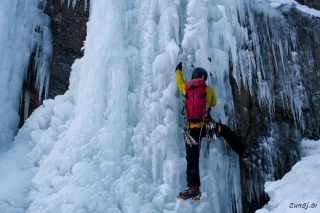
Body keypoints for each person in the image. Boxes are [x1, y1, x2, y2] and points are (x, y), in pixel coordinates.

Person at [175, 62, 253, 200]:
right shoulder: (208, 89)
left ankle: (193, 188)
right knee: (227, 133)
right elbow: (213, 104)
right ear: (203, 78)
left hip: (191, 131)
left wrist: (178, 69)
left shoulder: (185, 88)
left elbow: (179, 80)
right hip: (207, 127)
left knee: (192, 159)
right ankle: (243, 152)